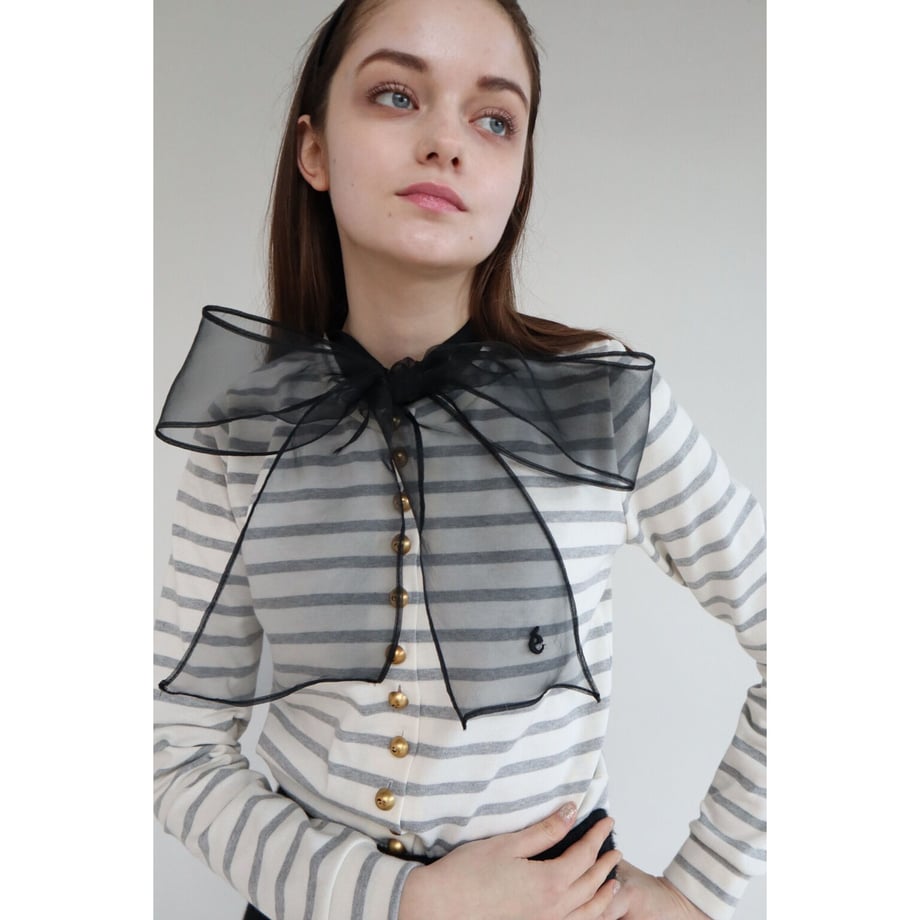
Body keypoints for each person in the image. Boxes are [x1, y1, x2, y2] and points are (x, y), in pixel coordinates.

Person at [154, 1, 766, 918]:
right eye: (397, 95)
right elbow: (175, 745)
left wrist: (698, 893)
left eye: (494, 119)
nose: (447, 143)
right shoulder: (251, 425)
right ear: (313, 149)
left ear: (518, 177)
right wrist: (400, 900)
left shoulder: (602, 406)